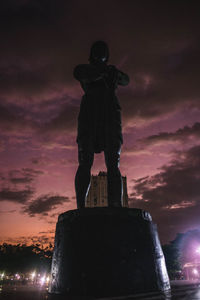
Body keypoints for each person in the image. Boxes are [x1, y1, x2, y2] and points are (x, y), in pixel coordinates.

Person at [74, 40, 129, 209]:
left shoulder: (112, 71)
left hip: (110, 112)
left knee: (113, 161)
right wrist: (103, 72)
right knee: (85, 159)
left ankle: (116, 206)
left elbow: (126, 79)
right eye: (97, 50)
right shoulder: (84, 69)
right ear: (91, 54)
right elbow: (80, 73)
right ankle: (81, 207)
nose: (100, 53)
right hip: (90, 113)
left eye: (103, 50)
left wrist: (109, 72)